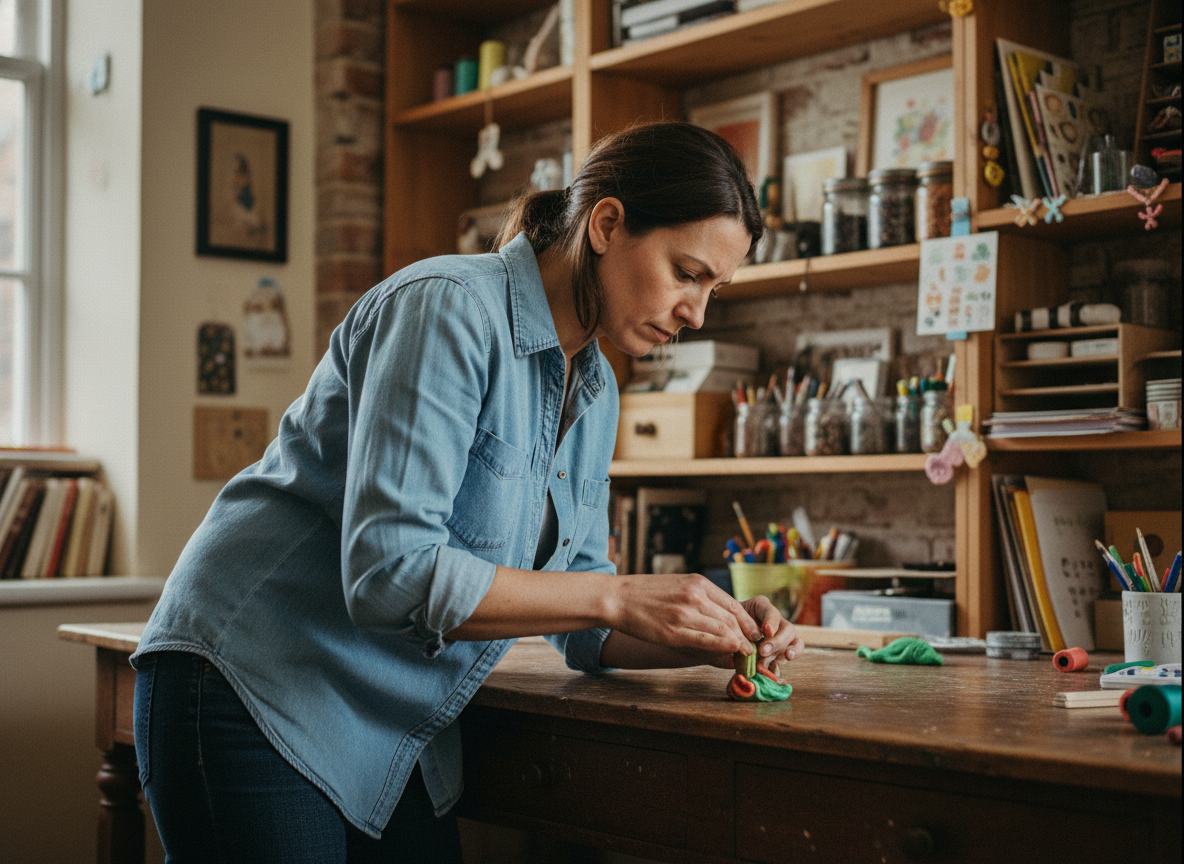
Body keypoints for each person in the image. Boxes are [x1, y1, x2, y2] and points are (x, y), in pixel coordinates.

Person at [131, 121, 805, 863]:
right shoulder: (447, 308)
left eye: (714, 287)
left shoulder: (598, 386)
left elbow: (581, 619)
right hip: (254, 686)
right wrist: (619, 596)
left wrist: (712, 637)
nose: (696, 313)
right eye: (687, 272)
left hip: (390, 728)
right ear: (608, 224)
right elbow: (389, 576)